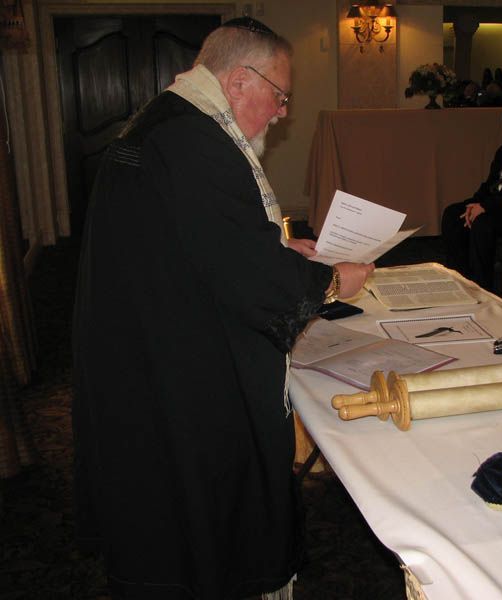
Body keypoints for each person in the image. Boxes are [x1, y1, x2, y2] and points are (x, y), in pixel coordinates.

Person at [71, 17, 374, 599]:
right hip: (179, 373)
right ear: (239, 82)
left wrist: (277, 246)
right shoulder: (195, 142)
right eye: (279, 96)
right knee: (200, 523)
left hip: (149, 345)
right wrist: (334, 279)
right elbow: (247, 278)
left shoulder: (168, 123)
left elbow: (197, 240)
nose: (282, 112)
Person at [441, 107, 502, 291]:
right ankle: (459, 276)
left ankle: (480, 284)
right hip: (493, 200)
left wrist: (484, 206)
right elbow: (491, 183)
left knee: (482, 222)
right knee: (453, 213)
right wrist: (475, 203)